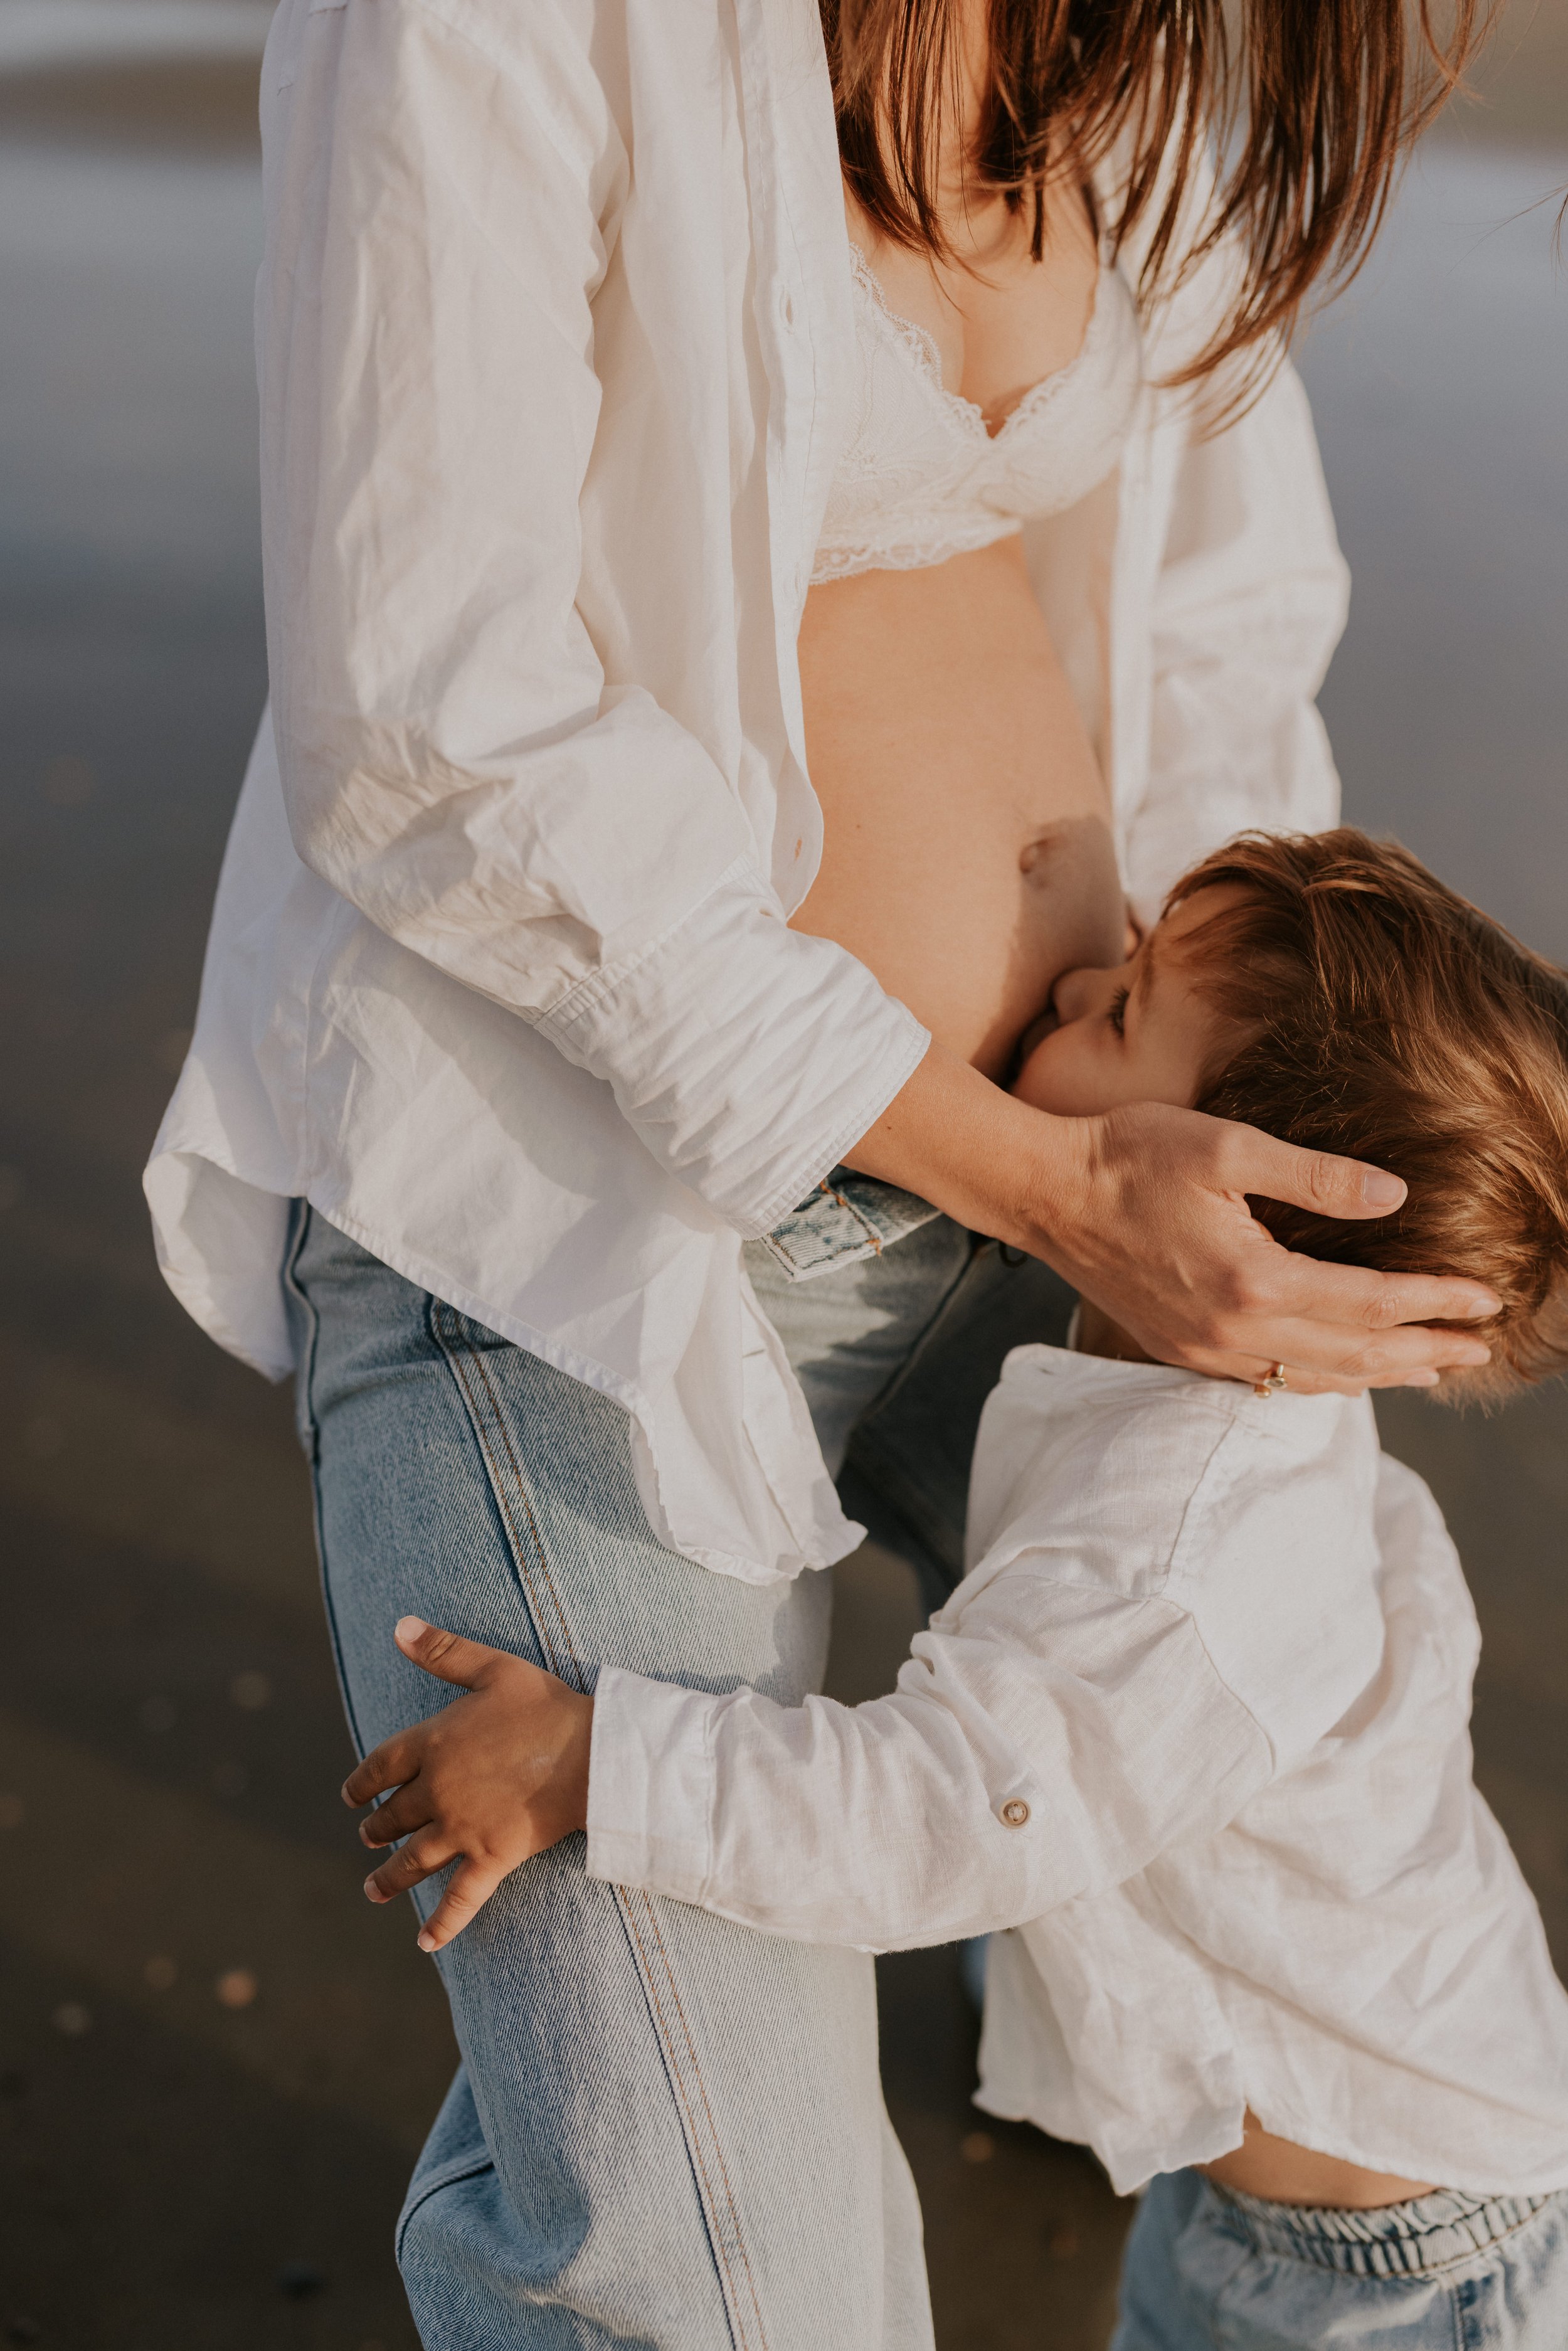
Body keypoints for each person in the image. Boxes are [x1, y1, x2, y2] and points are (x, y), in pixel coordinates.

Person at [144, 0, 1498, 2335]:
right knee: (713, 2265)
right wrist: (1040, 1176)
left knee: (1381, 2060)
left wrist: (1228, 1155)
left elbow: (1214, 623)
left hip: (1084, 1199)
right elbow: (430, 707)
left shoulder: (1142, 42)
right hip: (575, 1202)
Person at [349, 831, 1568, 2350]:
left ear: (1236, 1213)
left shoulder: (1190, 1551)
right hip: (1280, 2212)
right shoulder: (1185, 1394)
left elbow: (952, 1812)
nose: (1066, 977)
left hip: (1398, 2277)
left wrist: (601, 1759)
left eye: (1118, 1012)